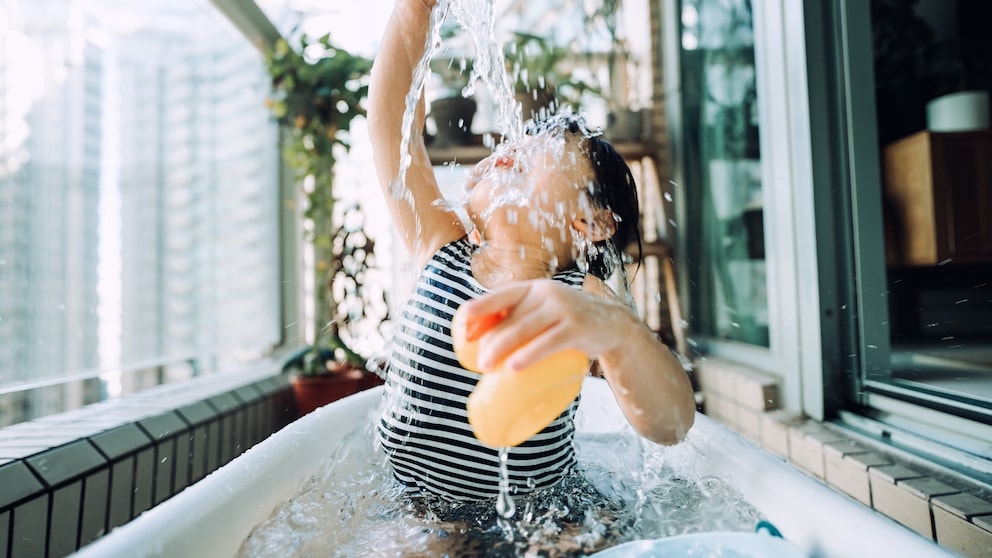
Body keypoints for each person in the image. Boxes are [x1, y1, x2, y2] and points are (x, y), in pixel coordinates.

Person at [368, 0, 695, 502]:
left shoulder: (582, 300)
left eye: (535, 153)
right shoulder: (439, 244)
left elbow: (671, 426)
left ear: (590, 221)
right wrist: (417, 10)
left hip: (541, 513)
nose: (510, 150)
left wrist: (619, 334)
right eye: (511, 147)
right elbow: (392, 129)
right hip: (416, 506)